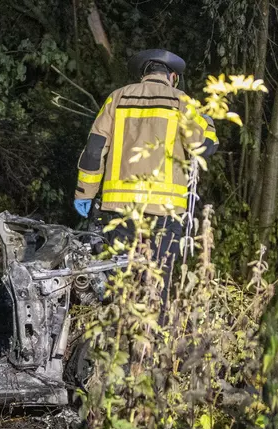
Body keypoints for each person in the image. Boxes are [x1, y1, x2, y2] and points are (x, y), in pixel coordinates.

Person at [73, 49, 219, 310]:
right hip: (165, 213)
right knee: (157, 286)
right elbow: (203, 146)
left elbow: (94, 150)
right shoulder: (181, 101)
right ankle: (152, 334)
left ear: (144, 74)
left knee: (119, 285)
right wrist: (207, 124)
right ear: (172, 77)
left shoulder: (117, 98)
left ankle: (116, 331)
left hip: (120, 210)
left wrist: (85, 193)